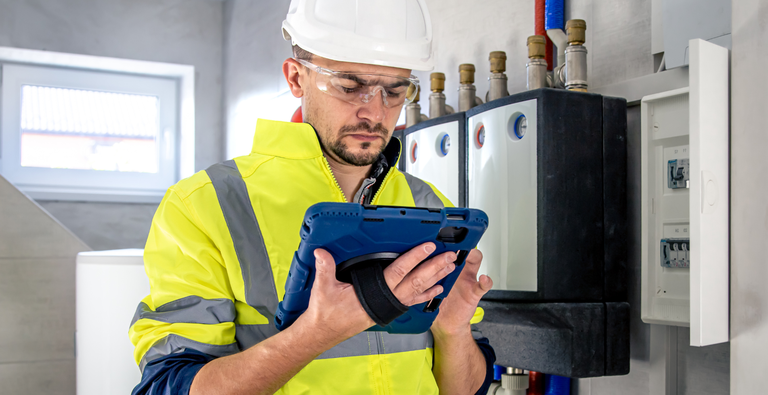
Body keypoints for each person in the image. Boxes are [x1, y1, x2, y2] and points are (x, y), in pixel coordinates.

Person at [129, 1, 496, 394]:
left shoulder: (430, 204)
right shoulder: (205, 204)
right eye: (349, 86)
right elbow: (167, 385)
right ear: (296, 78)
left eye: (394, 90)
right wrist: (316, 334)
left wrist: (454, 331)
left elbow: (464, 389)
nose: (373, 111)